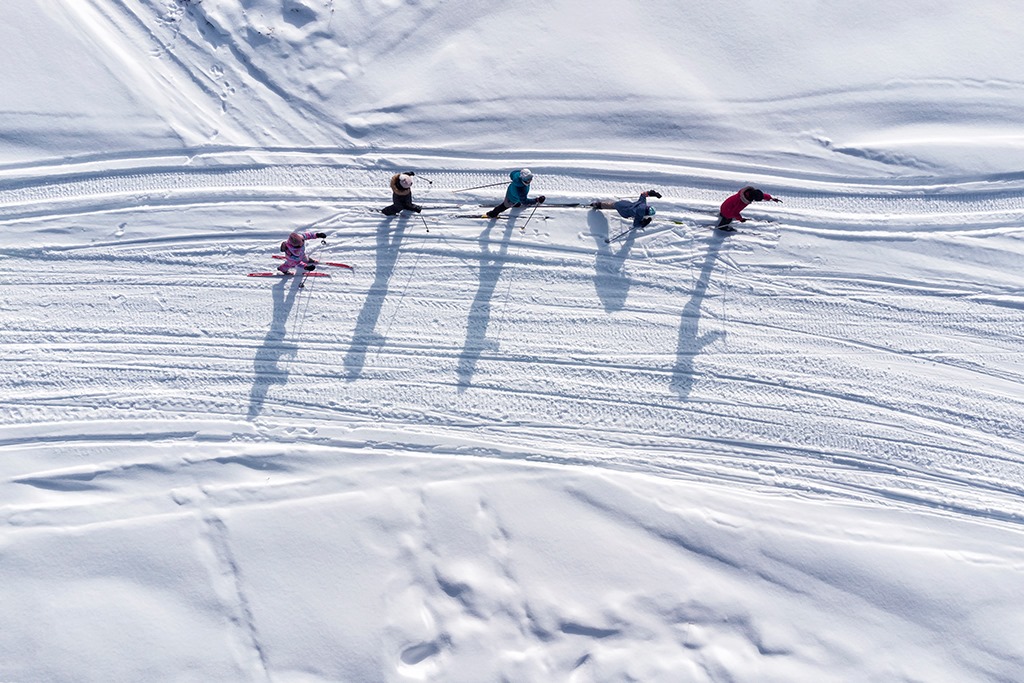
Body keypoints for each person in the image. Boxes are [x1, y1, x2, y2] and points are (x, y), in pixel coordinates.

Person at [716, 185, 781, 230]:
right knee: (729, 217)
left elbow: (762, 196)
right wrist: (740, 219)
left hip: (725, 205)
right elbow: (735, 213)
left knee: (727, 213)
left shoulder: (748, 193)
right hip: (727, 210)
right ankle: (722, 227)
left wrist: (771, 198)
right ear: (753, 198)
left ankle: (722, 214)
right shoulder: (741, 202)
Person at [591, 190, 662, 229]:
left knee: (613, 205)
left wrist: (653, 193)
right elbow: (636, 225)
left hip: (623, 204)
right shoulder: (639, 216)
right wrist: (644, 223)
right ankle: (599, 205)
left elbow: (643, 194)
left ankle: (597, 205)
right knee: (615, 207)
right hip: (624, 213)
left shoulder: (642, 203)